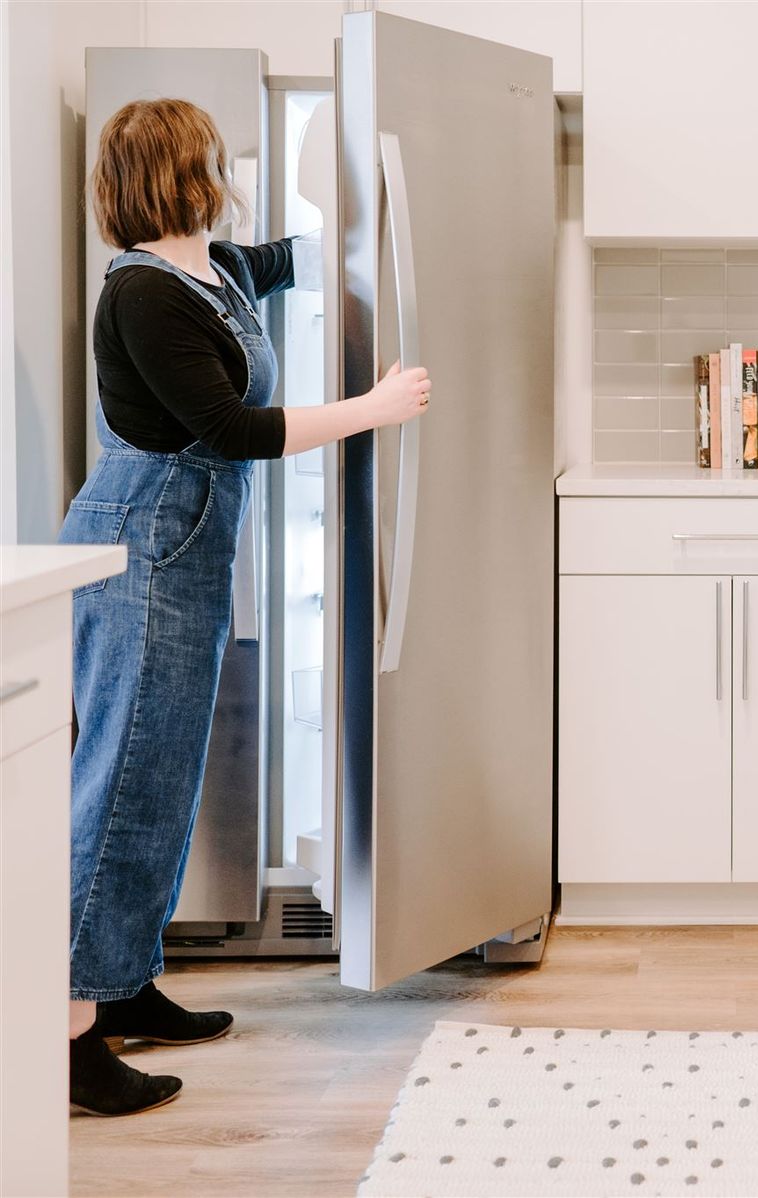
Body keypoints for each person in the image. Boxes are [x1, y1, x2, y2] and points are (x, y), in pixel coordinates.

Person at [59, 97, 430, 1116]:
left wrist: (389, 214)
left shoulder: (213, 270)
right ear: (186, 173)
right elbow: (231, 429)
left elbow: (290, 257)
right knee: (122, 786)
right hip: (139, 547)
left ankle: (123, 985)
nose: (225, 176)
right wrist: (371, 409)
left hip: (183, 548)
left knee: (161, 782)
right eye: (214, 160)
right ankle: (68, 1034)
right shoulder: (142, 292)